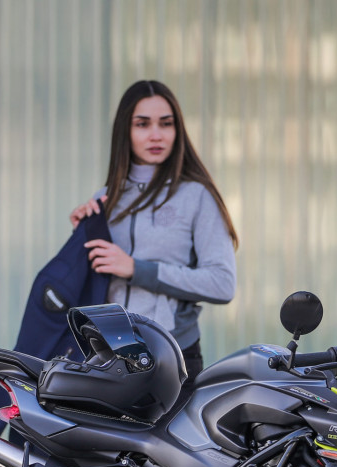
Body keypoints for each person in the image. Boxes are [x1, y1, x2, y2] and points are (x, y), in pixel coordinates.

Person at [70, 79, 238, 382]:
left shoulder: (196, 196)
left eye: (166, 123)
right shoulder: (104, 199)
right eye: (143, 124)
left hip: (171, 354)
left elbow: (222, 284)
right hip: (108, 356)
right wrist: (81, 235)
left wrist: (137, 269)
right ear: (126, 130)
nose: (156, 134)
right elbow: (88, 285)